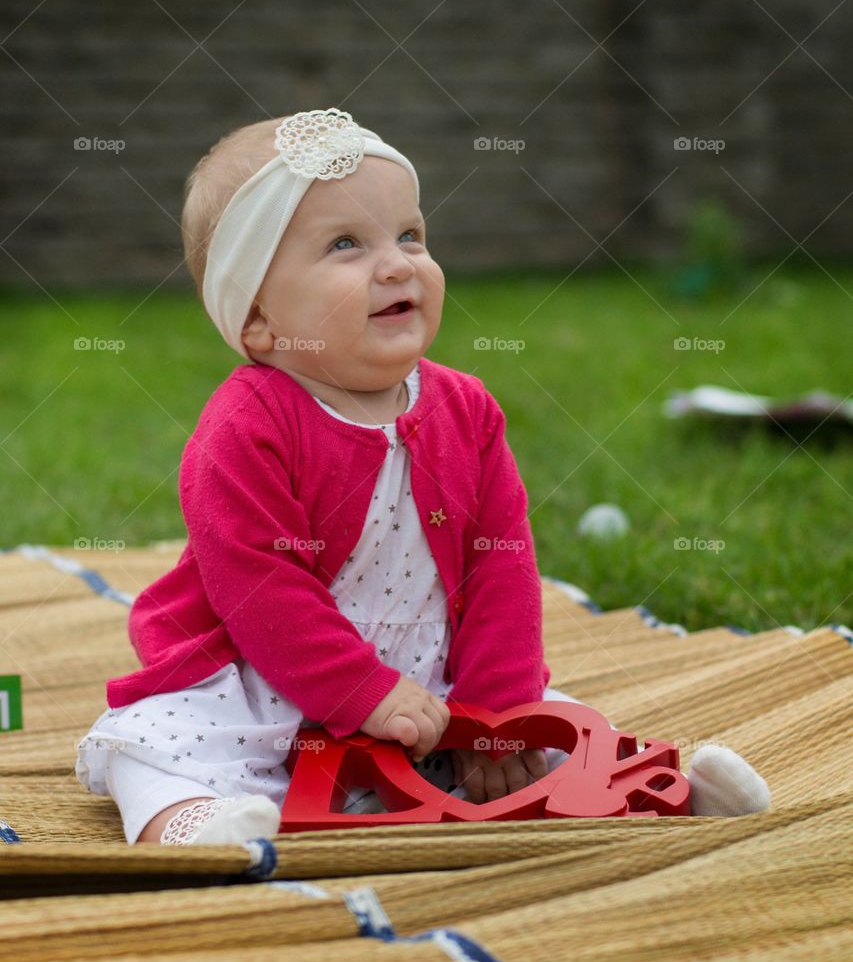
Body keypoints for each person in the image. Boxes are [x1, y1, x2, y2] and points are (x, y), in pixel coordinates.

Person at [75, 108, 770, 845]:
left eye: (409, 235)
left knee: (554, 730)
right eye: (345, 244)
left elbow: (502, 566)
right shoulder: (248, 425)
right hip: (261, 678)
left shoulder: (466, 410)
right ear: (257, 319)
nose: (397, 263)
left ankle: (663, 798)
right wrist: (357, 691)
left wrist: (491, 715)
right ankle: (195, 827)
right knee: (153, 746)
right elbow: (258, 586)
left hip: (428, 683)